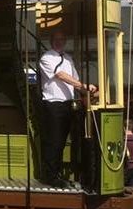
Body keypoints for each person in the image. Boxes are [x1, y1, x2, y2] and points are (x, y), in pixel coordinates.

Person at [37, 31, 98, 187]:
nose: (59, 42)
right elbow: (61, 76)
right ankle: (50, 176)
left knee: (64, 141)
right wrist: (83, 86)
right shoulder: (47, 58)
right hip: (53, 104)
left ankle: (59, 174)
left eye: (62, 39)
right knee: (54, 141)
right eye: (56, 39)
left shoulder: (68, 59)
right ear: (51, 41)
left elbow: (75, 81)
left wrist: (91, 92)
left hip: (68, 104)